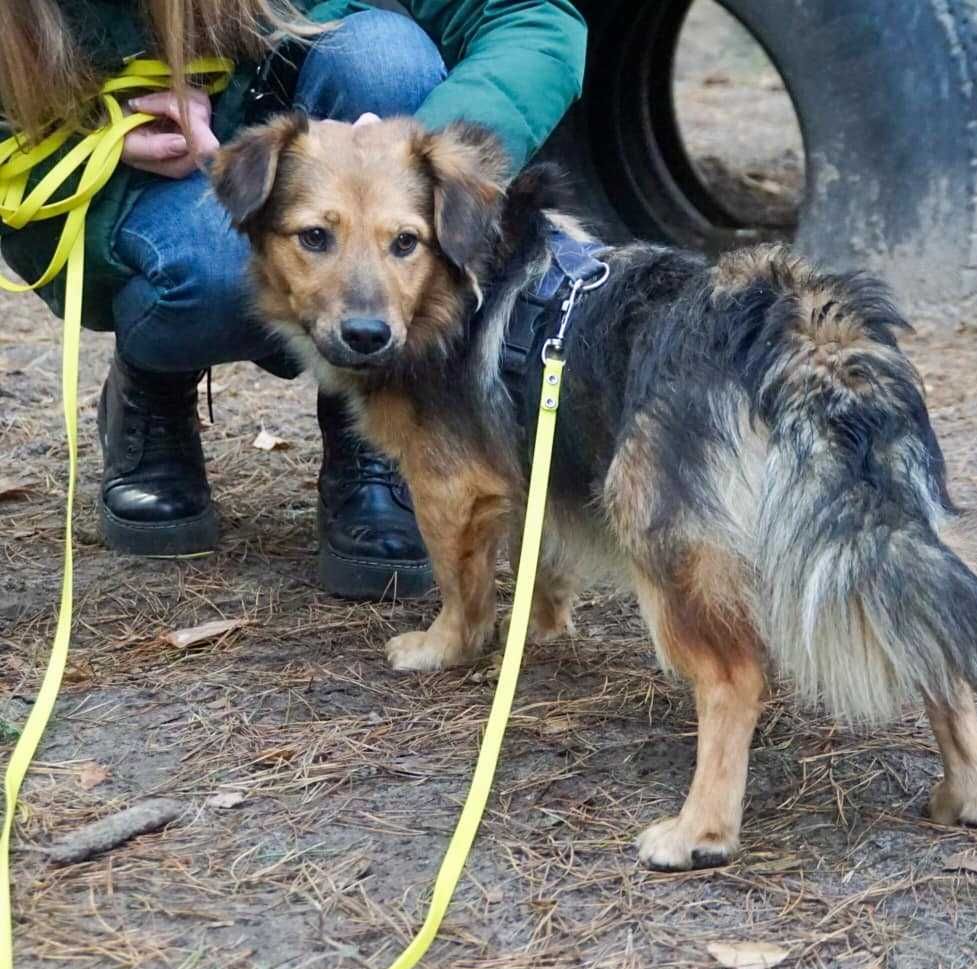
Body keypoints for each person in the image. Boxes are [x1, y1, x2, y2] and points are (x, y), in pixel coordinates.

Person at [0, 0, 586, 598]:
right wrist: (85, 130)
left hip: (321, 135)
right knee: (212, 274)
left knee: (387, 56)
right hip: (137, 180)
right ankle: (153, 379)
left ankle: (371, 438)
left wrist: (417, 156)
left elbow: (535, 18)